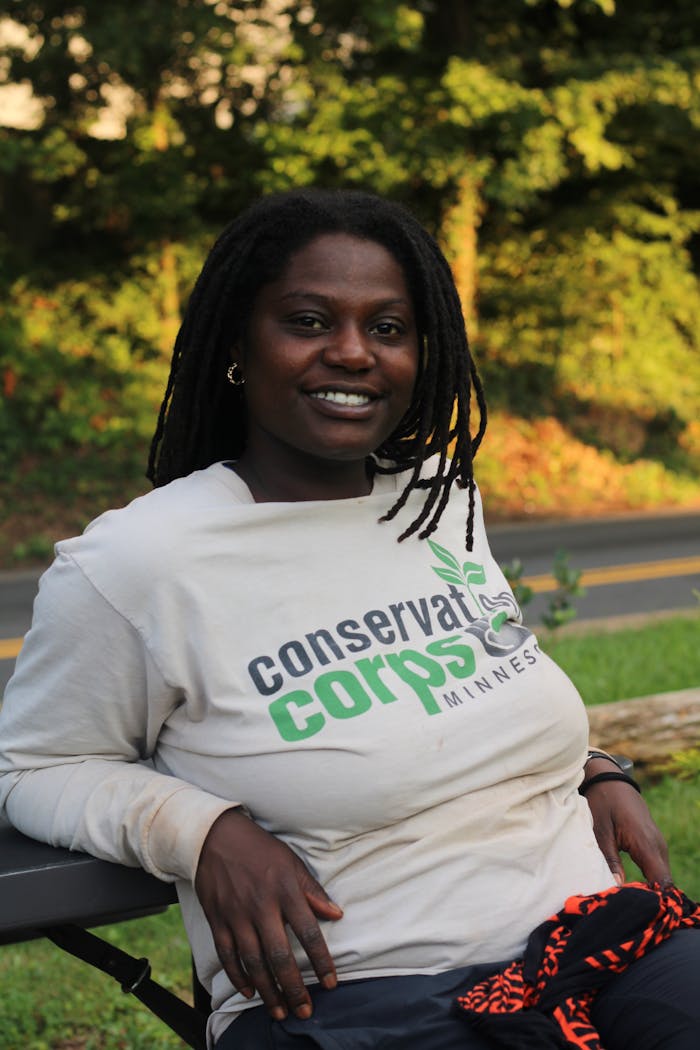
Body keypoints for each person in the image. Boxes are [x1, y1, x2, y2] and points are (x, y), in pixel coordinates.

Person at [0, 189, 697, 1050]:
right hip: (357, 998)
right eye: (308, 320)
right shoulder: (136, 563)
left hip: (594, 943)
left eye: (389, 328)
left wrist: (591, 763)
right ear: (236, 344)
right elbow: (34, 767)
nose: (353, 353)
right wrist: (200, 830)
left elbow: (472, 681)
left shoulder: (437, 501)